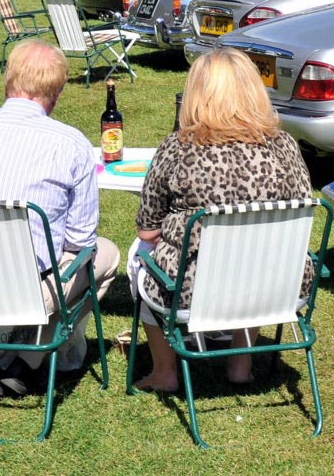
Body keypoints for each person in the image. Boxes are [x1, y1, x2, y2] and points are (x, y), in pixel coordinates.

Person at [0, 39, 120, 400]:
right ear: (59, 90)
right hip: (27, 291)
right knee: (106, 253)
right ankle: (26, 361)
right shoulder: (70, 143)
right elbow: (81, 240)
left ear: (8, 79)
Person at [130, 49, 313, 392]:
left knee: (137, 254)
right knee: (256, 254)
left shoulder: (178, 147)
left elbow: (149, 229)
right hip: (278, 285)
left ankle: (164, 371)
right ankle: (240, 366)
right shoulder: (285, 146)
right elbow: (303, 209)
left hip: (194, 290)